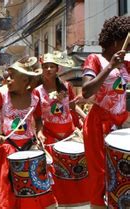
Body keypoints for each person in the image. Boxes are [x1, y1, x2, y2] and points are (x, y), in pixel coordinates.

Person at [0, 57, 57, 209]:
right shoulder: (2, 96)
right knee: (7, 189)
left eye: (12, 77)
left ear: (24, 80)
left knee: (32, 188)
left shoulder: (35, 99)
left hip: (29, 148)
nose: (7, 80)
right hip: (8, 147)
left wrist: (40, 132)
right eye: (7, 76)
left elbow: (38, 120)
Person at [81, 15, 130, 209]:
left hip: (120, 124)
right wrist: (110, 67)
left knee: (121, 175)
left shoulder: (127, 64)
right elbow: (86, 91)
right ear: (117, 40)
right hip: (98, 125)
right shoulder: (95, 60)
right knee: (101, 174)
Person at [35, 51, 89, 206]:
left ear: (57, 68)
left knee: (74, 173)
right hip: (50, 137)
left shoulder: (66, 87)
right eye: (46, 66)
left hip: (70, 136)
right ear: (42, 68)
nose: (49, 69)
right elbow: (37, 117)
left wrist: (85, 118)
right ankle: (57, 203)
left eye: (52, 66)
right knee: (56, 177)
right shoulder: (37, 91)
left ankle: (73, 203)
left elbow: (72, 106)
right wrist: (39, 131)